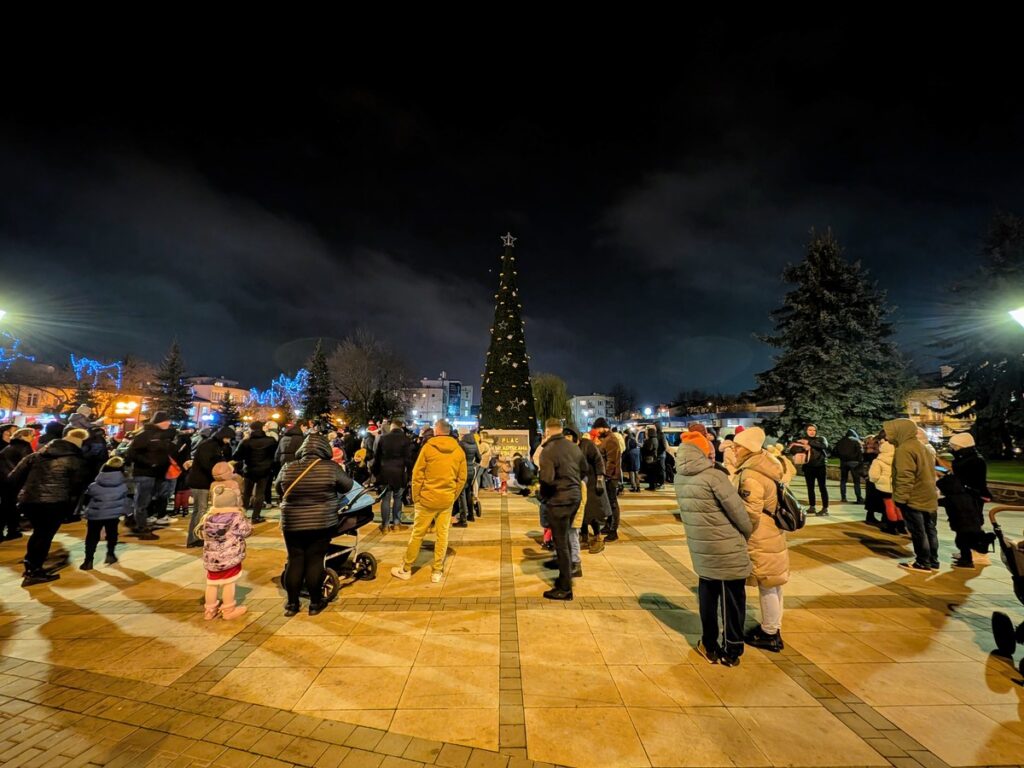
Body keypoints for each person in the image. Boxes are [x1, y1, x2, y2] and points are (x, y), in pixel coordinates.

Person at [675, 433, 752, 666]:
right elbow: (739, 513)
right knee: (732, 597)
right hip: (725, 544)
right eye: (709, 450)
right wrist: (746, 532)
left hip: (701, 545)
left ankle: (709, 644)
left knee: (708, 596)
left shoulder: (681, 476)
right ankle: (732, 648)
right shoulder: (713, 476)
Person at [277, 433, 354, 615]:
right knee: (315, 560)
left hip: (292, 522)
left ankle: (292, 604)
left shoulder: (289, 467)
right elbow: (347, 486)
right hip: (321, 522)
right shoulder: (330, 468)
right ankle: (315, 603)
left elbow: (279, 487)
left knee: (295, 560)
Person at [8, 428, 91, 586]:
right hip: (54, 503)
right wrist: (70, 509)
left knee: (38, 534)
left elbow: (13, 478)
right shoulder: (76, 460)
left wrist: (23, 494)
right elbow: (77, 487)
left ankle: (31, 566)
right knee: (44, 536)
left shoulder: (36, 455)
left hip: (29, 502)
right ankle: (34, 571)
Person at [732, 428, 789, 652]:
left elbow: (750, 513)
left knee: (766, 582)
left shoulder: (752, 475)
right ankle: (773, 626)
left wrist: (739, 531)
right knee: (773, 583)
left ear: (747, 448)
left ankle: (769, 633)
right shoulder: (766, 464)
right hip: (771, 531)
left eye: (738, 446)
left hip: (760, 535)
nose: (734, 450)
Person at [391, 420, 467, 583]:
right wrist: (452, 495)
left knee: (417, 533)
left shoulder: (428, 448)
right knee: (442, 535)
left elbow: (417, 474)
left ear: (437, 431)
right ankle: (437, 571)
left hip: (426, 499)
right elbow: (462, 478)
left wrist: (416, 496)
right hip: (446, 500)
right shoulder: (458, 451)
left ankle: (406, 568)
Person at [536, 418, 587, 601]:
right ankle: (562, 574)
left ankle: (565, 587)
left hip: (559, 500)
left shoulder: (548, 451)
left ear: (547, 431)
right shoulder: (573, 447)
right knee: (564, 537)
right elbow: (584, 469)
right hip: (574, 497)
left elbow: (547, 479)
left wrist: (543, 495)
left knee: (561, 542)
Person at [885, 418, 940, 572]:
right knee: (930, 529)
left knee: (918, 531)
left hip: (914, 496)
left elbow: (905, 476)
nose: (888, 436)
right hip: (928, 495)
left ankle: (923, 562)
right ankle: (933, 560)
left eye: (890, 432)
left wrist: (900, 498)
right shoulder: (922, 447)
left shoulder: (905, 449)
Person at [196, 484, 253, 620]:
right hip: (230, 558)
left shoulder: (207, 518)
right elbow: (246, 531)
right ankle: (228, 609)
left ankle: (209, 610)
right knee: (229, 583)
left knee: (212, 583)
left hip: (212, 559)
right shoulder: (235, 517)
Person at [946, 432, 993, 568]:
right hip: (966, 496)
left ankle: (971, 555)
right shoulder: (969, 458)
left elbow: (965, 479)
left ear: (961, 446)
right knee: (966, 526)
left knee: (967, 527)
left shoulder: (972, 460)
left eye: (954, 446)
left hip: (969, 497)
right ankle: (968, 553)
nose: (952, 448)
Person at [125, 411, 174, 538]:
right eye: (167, 421)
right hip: (145, 473)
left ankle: (135, 521)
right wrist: (150, 463)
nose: (169, 423)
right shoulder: (145, 435)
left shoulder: (162, 435)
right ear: (159, 422)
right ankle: (141, 528)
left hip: (157, 474)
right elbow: (132, 453)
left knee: (149, 500)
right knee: (142, 501)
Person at [185, 426, 235, 547]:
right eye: (228, 438)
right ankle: (195, 538)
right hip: (200, 482)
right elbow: (207, 464)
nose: (228, 441)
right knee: (200, 510)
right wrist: (221, 471)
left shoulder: (215, 446)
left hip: (203, 481)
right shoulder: (209, 446)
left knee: (200, 510)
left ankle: (196, 536)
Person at [80, 455, 129, 570]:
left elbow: (87, 498)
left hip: (95, 514)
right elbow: (126, 500)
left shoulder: (94, 485)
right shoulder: (123, 485)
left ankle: (88, 560)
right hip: (113, 514)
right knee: (112, 533)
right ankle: (110, 554)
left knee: (92, 536)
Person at [373, 420, 414, 533]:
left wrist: (375, 473)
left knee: (385, 499)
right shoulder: (406, 439)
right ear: (401, 427)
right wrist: (410, 475)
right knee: (398, 498)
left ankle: (385, 525)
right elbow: (409, 460)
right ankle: (396, 524)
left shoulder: (383, 438)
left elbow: (377, 458)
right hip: (399, 473)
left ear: (391, 427)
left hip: (384, 472)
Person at [233, 421, 277, 524]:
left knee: (247, 493)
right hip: (265, 470)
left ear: (251, 429)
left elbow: (236, 456)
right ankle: (256, 517)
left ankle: (242, 515)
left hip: (249, 470)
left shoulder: (246, 442)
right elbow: (274, 455)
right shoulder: (271, 440)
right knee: (260, 493)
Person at [0, 427, 35, 540]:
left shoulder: (8, 447)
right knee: (11, 508)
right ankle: (12, 531)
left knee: (6, 506)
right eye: (31, 435)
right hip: (16, 482)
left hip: (4, 481)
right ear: (23, 436)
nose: (33, 438)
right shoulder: (25, 448)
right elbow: (28, 466)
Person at [579, 431, 610, 551]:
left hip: (592, 483)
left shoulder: (587, 445)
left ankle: (599, 538)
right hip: (580, 483)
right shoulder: (570, 447)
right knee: (582, 513)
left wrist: (600, 478)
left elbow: (598, 461)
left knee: (594, 513)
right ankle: (584, 537)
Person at [593, 418, 622, 541]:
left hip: (611, 478)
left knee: (612, 503)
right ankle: (608, 525)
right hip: (608, 476)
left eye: (598, 429)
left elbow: (612, 461)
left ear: (604, 427)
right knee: (608, 503)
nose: (597, 432)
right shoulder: (606, 440)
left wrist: (606, 476)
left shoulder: (611, 440)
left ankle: (613, 530)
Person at [793, 425, 830, 516]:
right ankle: (812, 506)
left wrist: (809, 442)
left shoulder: (821, 438)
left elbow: (824, 446)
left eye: (814, 430)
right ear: (806, 430)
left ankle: (825, 508)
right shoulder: (803, 439)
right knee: (810, 488)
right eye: (810, 430)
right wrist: (803, 448)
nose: (812, 432)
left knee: (822, 487)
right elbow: (794, 449)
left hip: (820, 466)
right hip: (808, 467)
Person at [867, 440, 903, 533]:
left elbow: (874, 475)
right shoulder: (900, 459)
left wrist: (876, 481)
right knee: (898, 506)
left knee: (889, 505)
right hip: (898, 485)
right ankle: (901, 526)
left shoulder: (879, 460)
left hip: (885, 487)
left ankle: (892, 527)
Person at [454, 430, 482, 526]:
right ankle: (471, 515)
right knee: (468, 492)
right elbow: (479, 458)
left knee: (461, 494)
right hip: (471, 471)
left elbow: (456, 457)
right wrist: (472, 463)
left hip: (462, 470)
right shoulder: (474, 444)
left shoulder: (461, 444)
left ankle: (463, 519)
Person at [835, 429, 864, 504]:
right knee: (856, 482)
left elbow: (835, 451)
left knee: (843, 480)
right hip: (854, 463)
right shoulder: (856, 441)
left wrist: (841, 457)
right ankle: (859, 498)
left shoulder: (840, 441)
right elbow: (860, 452)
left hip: (843, 463)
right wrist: (860, 461)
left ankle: (843, 497)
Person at [640, 426, 663, 490]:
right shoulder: (655, 439)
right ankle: (653, 485)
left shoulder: (651, 440)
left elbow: (649, 448)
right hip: (653, 457)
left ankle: (652, 486)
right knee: (653, 472)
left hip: (650, 457)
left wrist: (643, 446)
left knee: (650, 472)